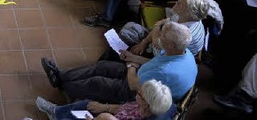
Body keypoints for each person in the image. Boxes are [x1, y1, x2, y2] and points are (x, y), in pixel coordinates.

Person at [42, 21, 197, 103]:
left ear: (170, 44)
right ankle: (60, 75)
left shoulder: (166, 71)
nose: (157, 39)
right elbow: (156, 61)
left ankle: (64, 85)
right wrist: (133, 58)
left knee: (97, 82)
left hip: (138, 92)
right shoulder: (182, 51)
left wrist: (131, 65)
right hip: (141, 74)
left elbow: (133, 85)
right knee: (103, 66)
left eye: (161, 37)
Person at [121, 0, 210, 57]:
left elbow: (157, 43)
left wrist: (156, 27)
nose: (177, 2)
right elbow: (163, 24)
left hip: (161, 56)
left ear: (189, 13)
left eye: (181, 4)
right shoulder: (182, 16)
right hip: (160, 38)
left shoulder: (183, 34)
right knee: (129, 27)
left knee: (126, 37)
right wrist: (143, 43)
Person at [35, 79, 175, 120]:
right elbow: (123, 108)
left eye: (140, 93)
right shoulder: (143, 107)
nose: (137, 93)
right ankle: (56, 111)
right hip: (107, 116)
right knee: (88, 104)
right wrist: (105, 107)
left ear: (146, 103)